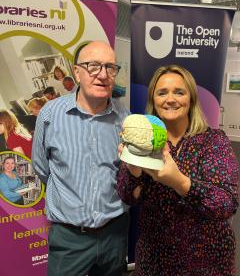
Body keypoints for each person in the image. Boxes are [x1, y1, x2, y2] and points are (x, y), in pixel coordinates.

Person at [117, 64, 239, 276]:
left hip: (206, 261)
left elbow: (226, 204)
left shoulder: (213, 141)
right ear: (153, 100)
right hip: (155, 258)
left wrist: (179, 182)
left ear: (190, 98)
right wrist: (133, 168)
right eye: (162, 92)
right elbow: (128, 196)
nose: (170, 99)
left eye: (179, 92)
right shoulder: (144, 142)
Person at [32, 41, 130, 276]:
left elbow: (125, 172)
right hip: (69, 239)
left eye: (110, 67)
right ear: (76, 72)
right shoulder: (50, 114)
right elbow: (42, 168)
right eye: (93, 66)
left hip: (114, 234)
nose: (103, 75)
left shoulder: (124, 116)